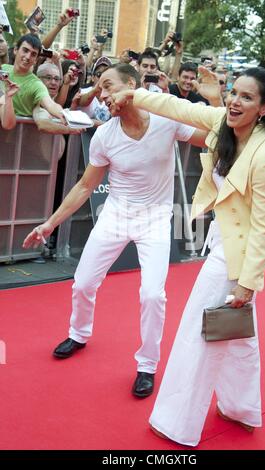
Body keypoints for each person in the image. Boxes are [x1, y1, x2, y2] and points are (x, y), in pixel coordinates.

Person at [112, 66, 265, 445]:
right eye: (233, 92)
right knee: (237, 338)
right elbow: (175, 106)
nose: (234, 102)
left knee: (201, 334)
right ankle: (241, 408)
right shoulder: (224, 122)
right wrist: (132, 96)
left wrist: (247, 283)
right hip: (220, 245)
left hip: (233, 261)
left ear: (264, 107)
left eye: (246, 97)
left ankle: (177, 421)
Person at [22, 64, 207, 398]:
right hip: (116, 214)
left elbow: (208, 138)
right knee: (83, 284)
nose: (103, 95)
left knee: (153, 294)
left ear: (132, 85)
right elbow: (83, 187)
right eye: (99, 89)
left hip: (155, 218)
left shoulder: (165, 120)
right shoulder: (105, 136)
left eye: (108, 86)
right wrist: (50, 224)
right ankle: (79, 333)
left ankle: (147, 365)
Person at [1, 34, 64, 120]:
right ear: (15, 50)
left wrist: (63, 115)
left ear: (36, 60)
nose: (27, 57)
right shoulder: (3, 69)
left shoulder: (36, 84)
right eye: (25, 50)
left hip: (18, 132)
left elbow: (50, 104)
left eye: (33, 54)